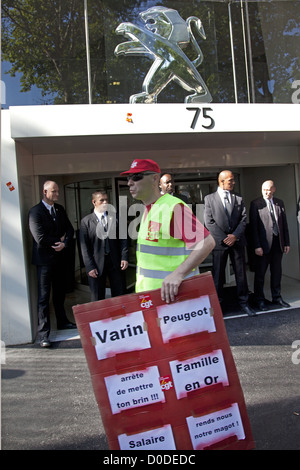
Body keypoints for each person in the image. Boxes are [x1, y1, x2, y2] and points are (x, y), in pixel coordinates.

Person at [120, 159, 215, 303]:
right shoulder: (148, 209)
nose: (129, 182)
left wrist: (178, 274)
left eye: (136, 177)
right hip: (153, 298)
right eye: (128, 178)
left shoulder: (173, 207)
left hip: (175, 299)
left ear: (154, 179)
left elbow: (207, 242)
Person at [28, 181, 76, 348]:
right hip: (44, 262)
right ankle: (43, 335)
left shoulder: (59, 209)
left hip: (60, 260)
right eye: (54, 192)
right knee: (43, 297)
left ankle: (62, 321)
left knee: (59, 293)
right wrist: (59, 240)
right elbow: (40, 238)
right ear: (44, 192)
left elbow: (70, 230)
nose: (57, 194)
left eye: (57, 191)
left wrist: (65, 243)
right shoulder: (35, 212)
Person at [204, 170, 255, 316]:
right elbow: (209, 222)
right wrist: (224, 238)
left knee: (241, 274)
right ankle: (218, 305)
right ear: (221, 181)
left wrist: (235, 236)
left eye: (233, 180)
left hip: (237, 242)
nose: (233, 182)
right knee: (218, 275)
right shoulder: (209, 199)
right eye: (230, 180)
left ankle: (244, 303)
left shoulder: (238, 197)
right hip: (219, 243)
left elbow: (243, 218)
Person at [80, 190, 128, 302]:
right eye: (102, 200)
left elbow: (123, 239)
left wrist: (124, 257)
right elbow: (84, 247)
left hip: (115, 262)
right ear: (94, 202)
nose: (105, 202)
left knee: (119, 294)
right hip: (96, 265)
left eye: (106, 199)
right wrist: (89, 266)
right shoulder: (86, 222)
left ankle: (120, 318)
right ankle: (101, 320)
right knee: (97, 297)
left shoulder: (116, 218)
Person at [249, 180, 290, 310]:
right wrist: (257, 246)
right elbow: (253, 227)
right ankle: (259, 300)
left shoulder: (279, 202)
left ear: (274, 189)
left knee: (277, 272)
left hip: (278, 244)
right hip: (263, 245)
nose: (266, 192)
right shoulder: (256, 204)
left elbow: (284, 224)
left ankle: (277, 297)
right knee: (260, 274)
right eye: (264, 190)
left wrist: (286, 242)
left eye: (269, 190)